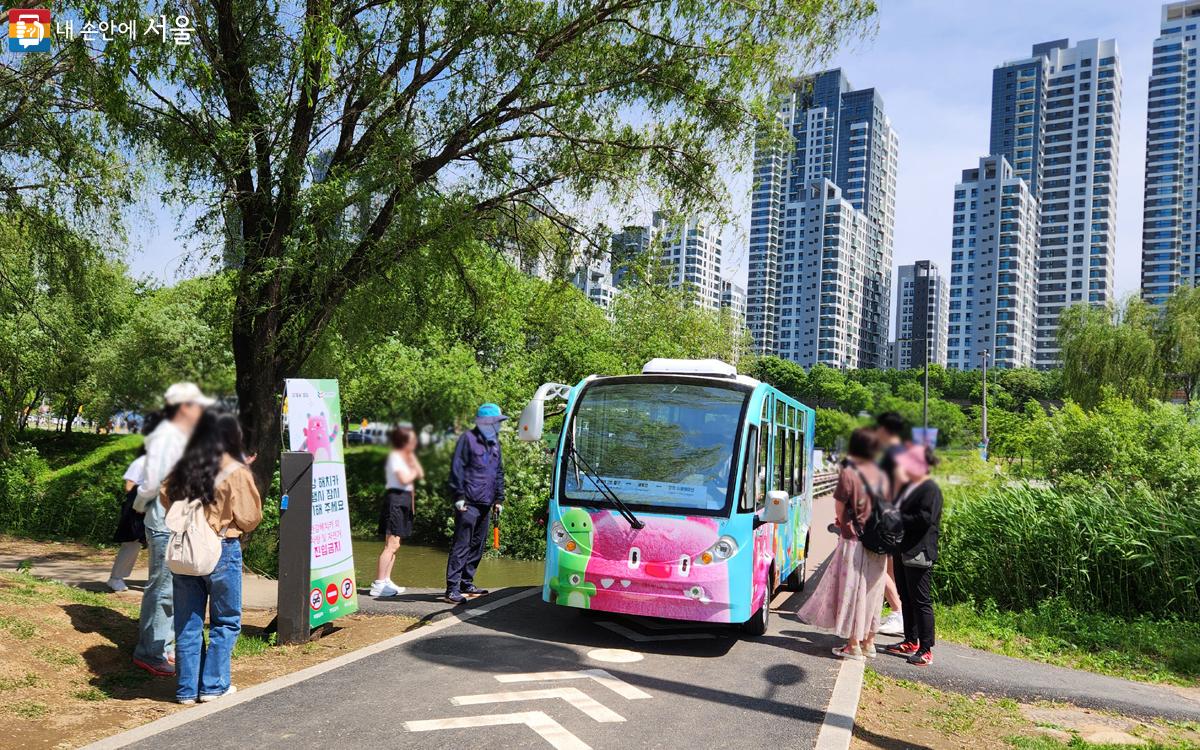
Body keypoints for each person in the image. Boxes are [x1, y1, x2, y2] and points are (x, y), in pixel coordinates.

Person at [161, 412, 262, 704]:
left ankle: (186, 690)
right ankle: (213, 686)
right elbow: (250, 517)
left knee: (187, 622)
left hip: (185, 551)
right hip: (222, 548)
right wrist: (223, 521)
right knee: (226, 620)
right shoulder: (235, 470)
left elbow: (165, 496)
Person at [131, 382, 214, 677]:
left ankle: (163, 647)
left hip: (177, 520)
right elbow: (152, 482)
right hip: (165, 520)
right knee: (163, 587)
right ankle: (149, 652)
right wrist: (141, 504)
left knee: (170, 587)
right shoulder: (167, 437)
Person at [798, 427, 890, 660]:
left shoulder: (850, 473)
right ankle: (870, 642)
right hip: (881, 540)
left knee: (854, 591)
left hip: (855, 541)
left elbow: (839, 507)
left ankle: (852, 645)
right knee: (873, 591)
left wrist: (842, 520)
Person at [884, 444, 943, 667]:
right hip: (903, 549)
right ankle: (911, 640)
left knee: (921, 600)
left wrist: (898, 517)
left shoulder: (929, 489)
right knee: (906, 597)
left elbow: (924, 518)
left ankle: (926, 649)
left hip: (919, 550)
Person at [443, 404, 507, 604]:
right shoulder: (468, 440)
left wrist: (499, 498)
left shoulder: (494, 443)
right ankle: (452, 588)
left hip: (486, 502)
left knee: (477, 544)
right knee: (462, 544)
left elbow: (498, 472)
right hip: (468, 502)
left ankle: (466, 582)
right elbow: (456, 470)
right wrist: (459, 496)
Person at [106, 414, 165, 592]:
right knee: (132, 544)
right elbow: (129, 486)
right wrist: (145, 496)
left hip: (157, 510)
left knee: (158, 546)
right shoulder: (141, 463)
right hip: (137, 510)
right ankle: (116, 577)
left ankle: (155, 580)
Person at [371, 426, 424, 597]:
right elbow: (404, 478)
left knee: (396, 545)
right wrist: (413, 470)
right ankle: (378, 583)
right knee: (390, 545)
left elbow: (419, 474)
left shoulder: (406, 457)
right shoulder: (395, 456)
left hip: (404, 502)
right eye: (412, 439)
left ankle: (387, 579)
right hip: (395, 501)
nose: (415, 442)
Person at [874, 412, 909, 637]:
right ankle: (900, 614)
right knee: (888, 567)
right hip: (897, 517)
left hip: (889, 518)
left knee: (880, 568)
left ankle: (897, 612)